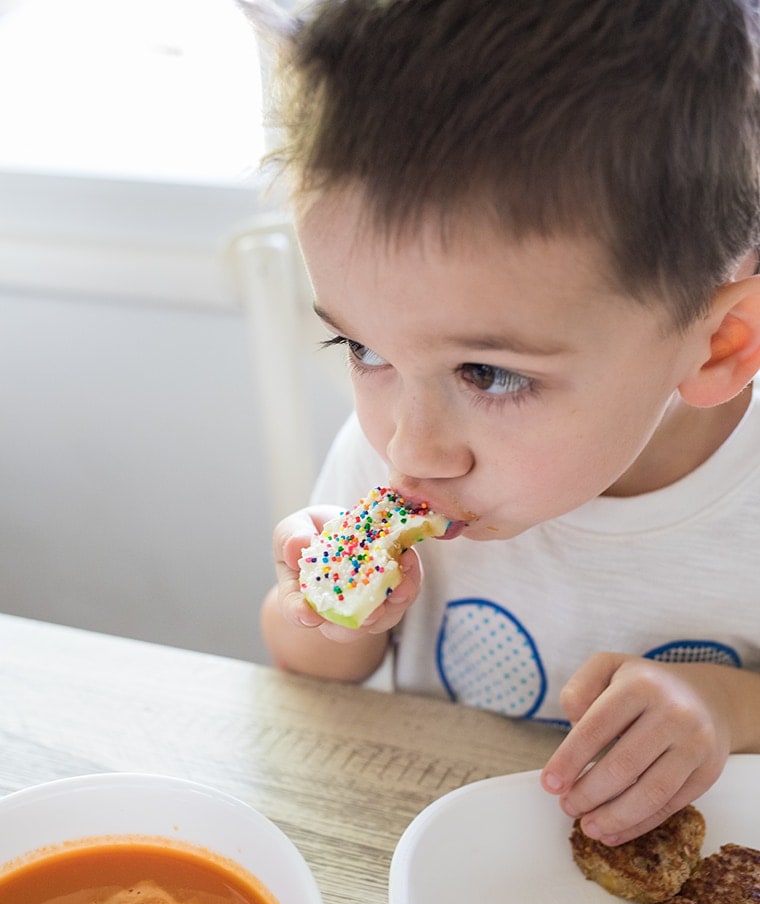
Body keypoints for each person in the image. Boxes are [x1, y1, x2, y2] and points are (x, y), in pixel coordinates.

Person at [257, 0, 760, 846]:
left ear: (718, 346)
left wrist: (730, 705)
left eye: (488, 374)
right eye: (360, 346)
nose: (409, 446)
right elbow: (312, 676)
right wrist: (321, 607)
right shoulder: (389, 458)